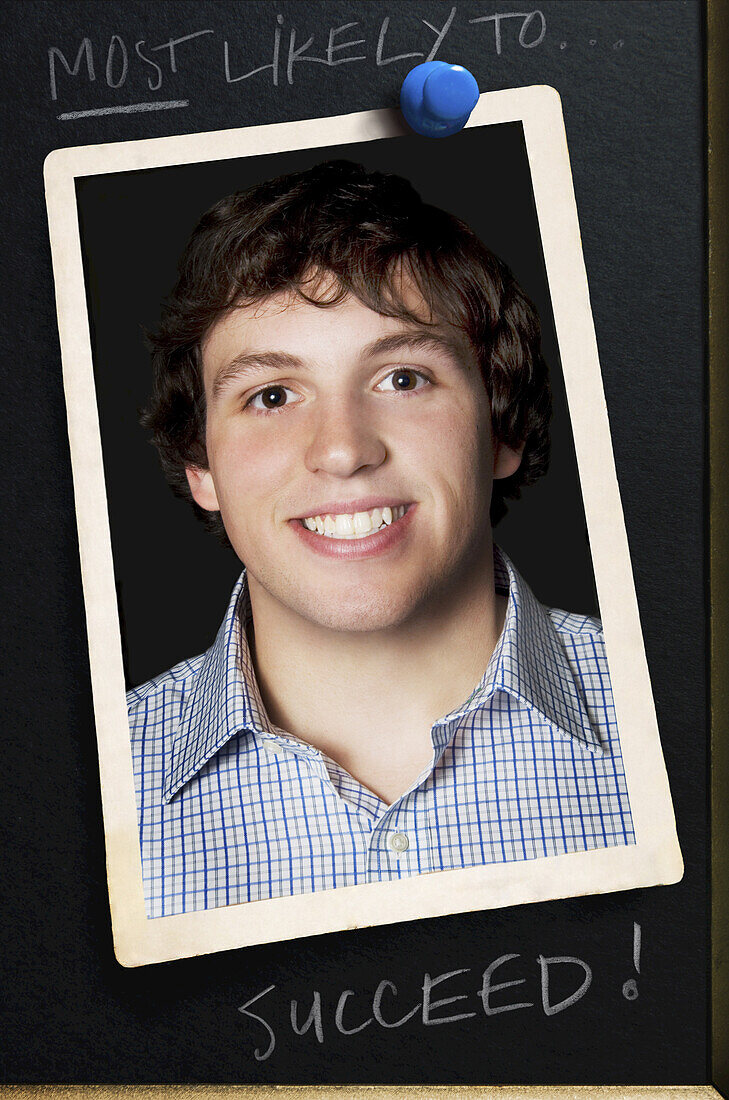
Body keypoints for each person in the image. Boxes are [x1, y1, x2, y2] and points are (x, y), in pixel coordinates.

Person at [127, 160, 634, 919]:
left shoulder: (683, 715)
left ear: (500, 426)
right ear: (200, 464)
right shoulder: (71, 792)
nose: (341, 449)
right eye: (271, 395)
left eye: (401, 378)